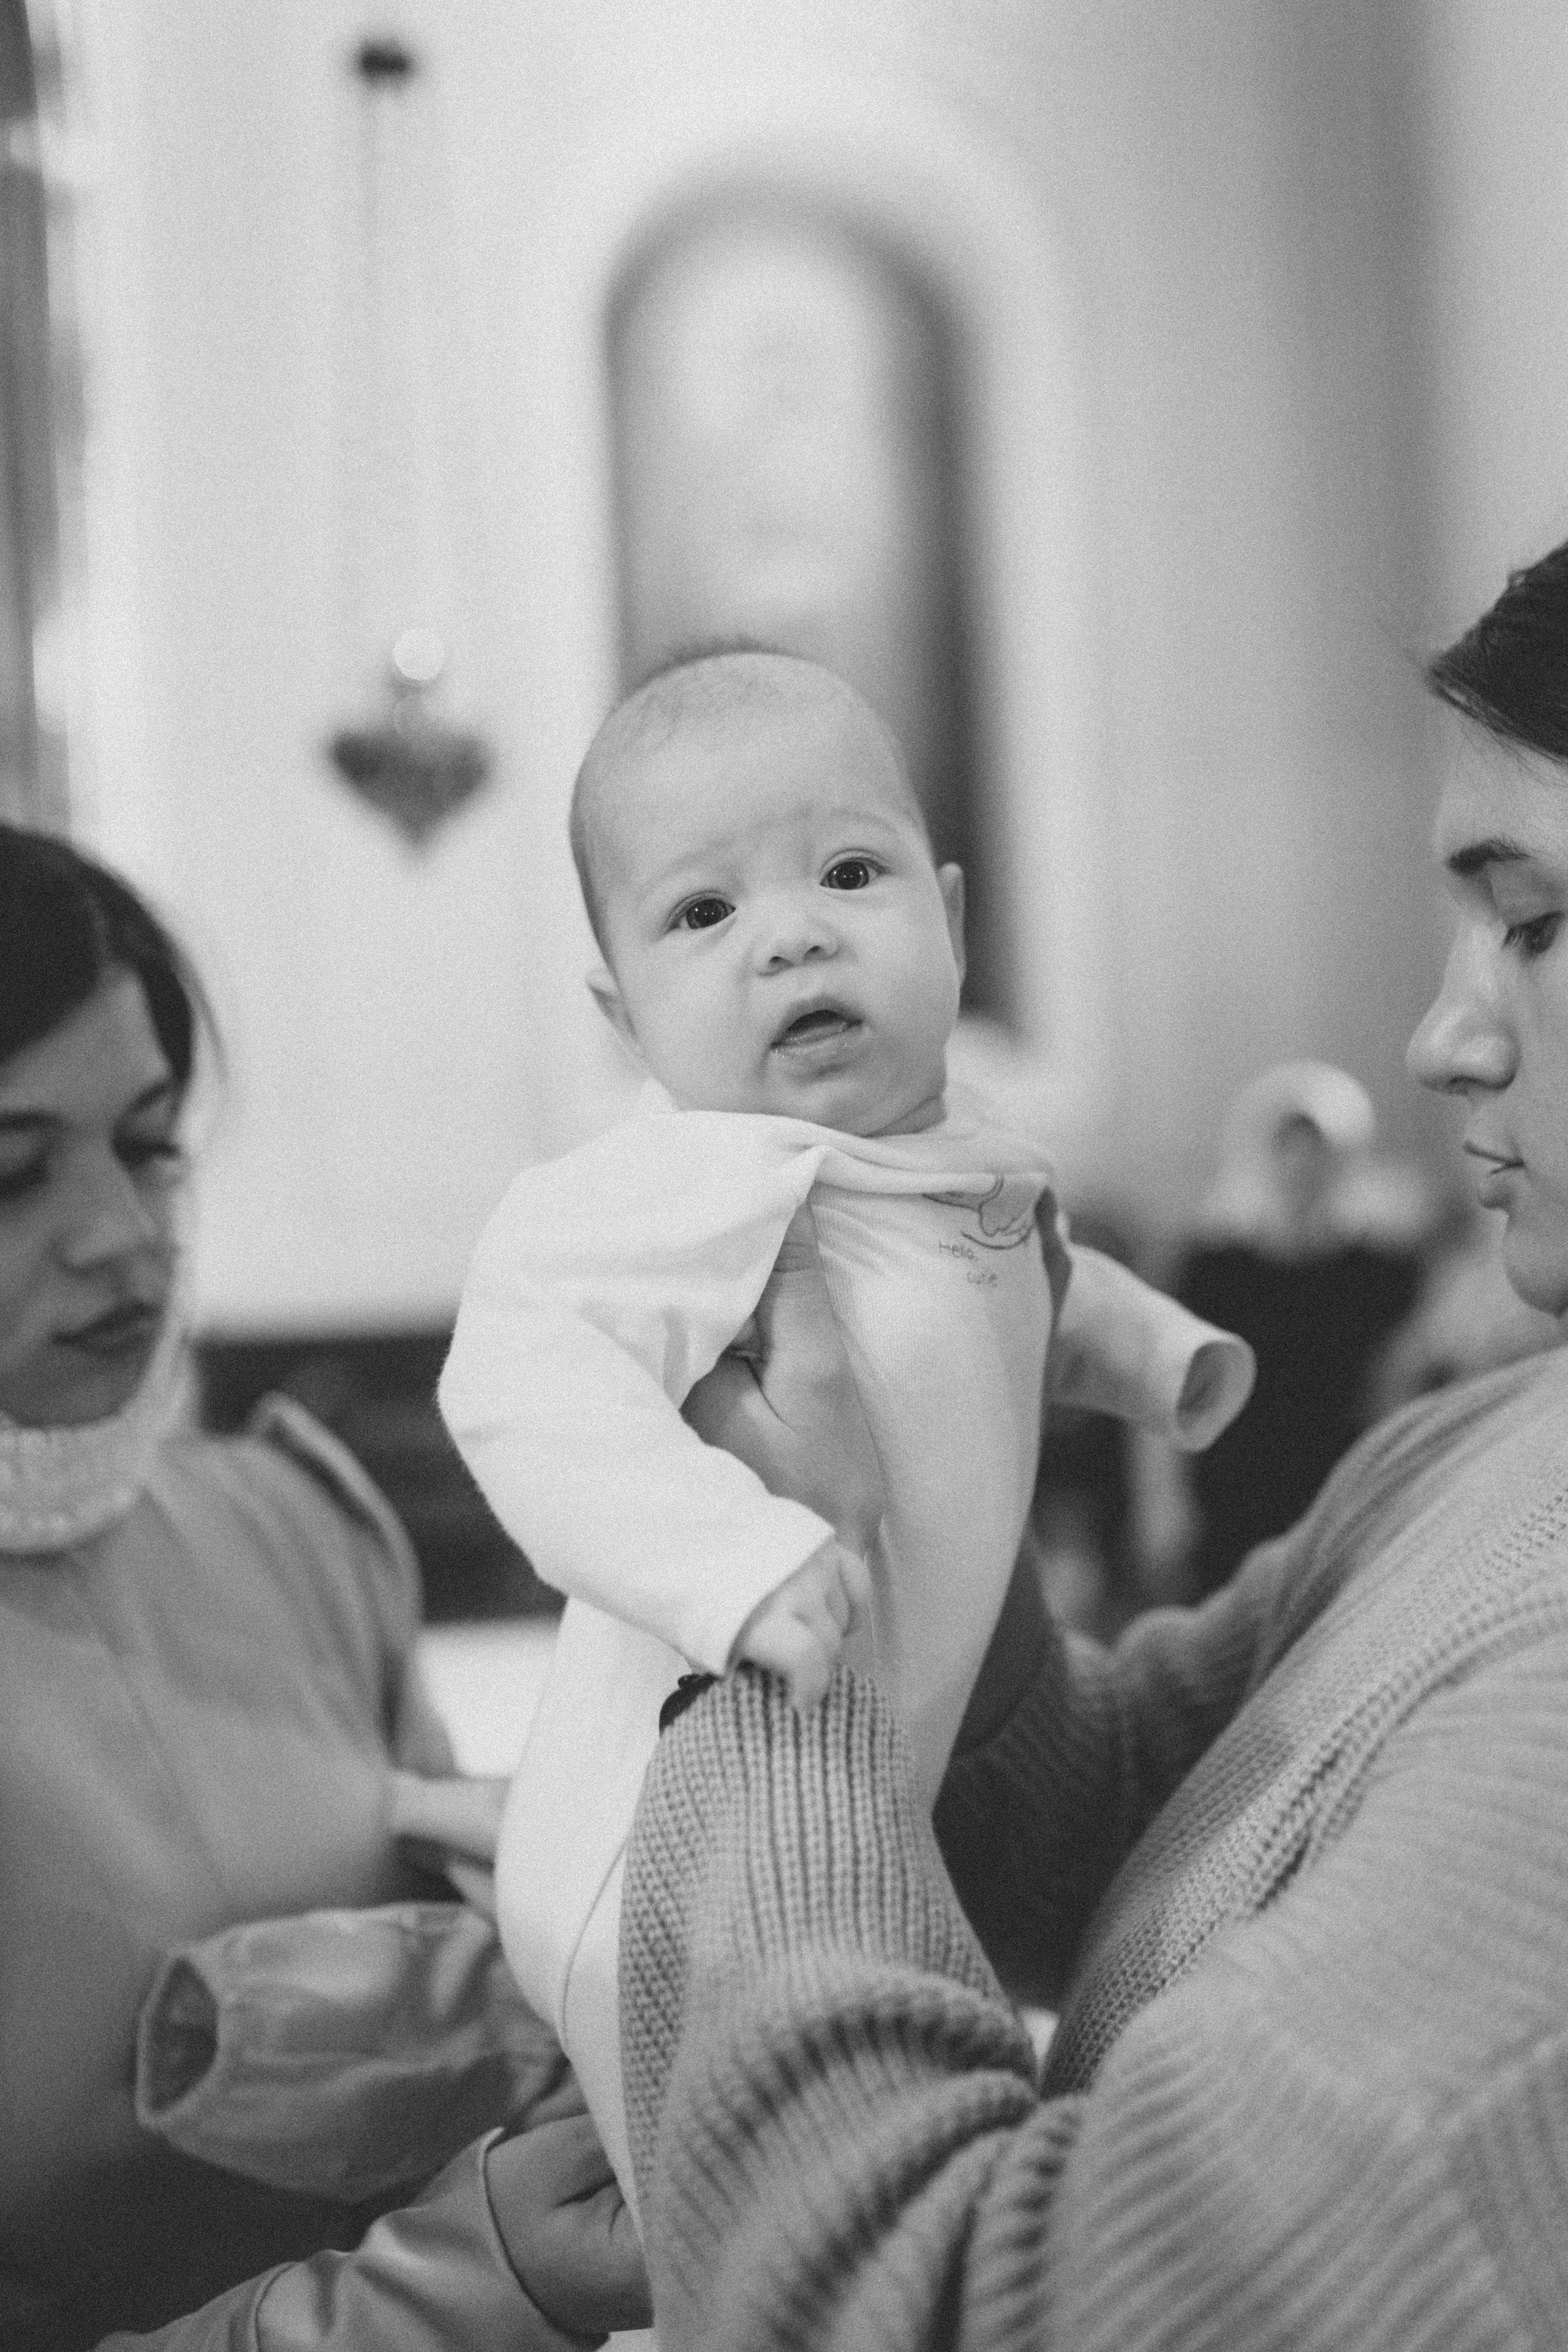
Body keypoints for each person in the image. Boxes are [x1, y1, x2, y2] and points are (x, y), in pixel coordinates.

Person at [613, 540, 1568, 2350]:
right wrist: (932, 1485)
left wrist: (779, 1602)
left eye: (1528, 920)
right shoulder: (1492, 1435)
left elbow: (943, 2313)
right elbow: (1122, 1811)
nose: (1440, 1038)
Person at [437, 648, 1254, 2203]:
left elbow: (1019, 1290)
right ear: (623, 1013)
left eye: (847, 872)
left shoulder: (952, 1160)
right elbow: (521, 1379)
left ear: (949, 919)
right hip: (657, 1855)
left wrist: (1155, 1363)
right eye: (702, 912)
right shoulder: (679, 1185)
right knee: (726, 2202)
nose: (791, 932)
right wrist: (726, 1559)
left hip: (876, 1781)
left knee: (890, 2106)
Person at [0, 825, 648, 2351]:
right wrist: (472, 2282)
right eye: (14, 1174)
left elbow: (470, 2049)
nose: (120, 1235)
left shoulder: (298, 1524)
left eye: (149, 1144)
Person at [1171, 1058, 1428, 1590]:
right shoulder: (1212, 1270)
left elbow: (1394, 1388)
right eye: (1287, 1149)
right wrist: (1165, 1505)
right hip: (1232, 1496)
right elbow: (1176, 1388)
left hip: (1338, 1493)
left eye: (1316, 1152)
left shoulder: (1378, 1273)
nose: (1301, 1167)